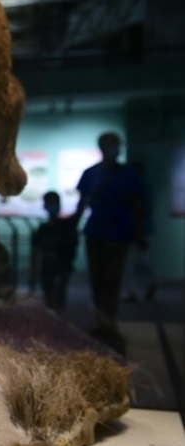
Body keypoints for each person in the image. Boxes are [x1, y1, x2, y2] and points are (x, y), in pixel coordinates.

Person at [75, 132, 146, 353]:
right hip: (96, 231)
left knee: (111, 279)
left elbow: (136, 206)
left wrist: (139, 232)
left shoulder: (127, 174)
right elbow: (82, 203)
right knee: (97, 277)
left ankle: (109, 321)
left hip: (119, 233)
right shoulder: (91, 173)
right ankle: (102, 321)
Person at [30, 191, 78, 313]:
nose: (51, 206)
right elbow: (37, 249)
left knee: (57, 296)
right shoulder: (44, 228)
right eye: (49, 203)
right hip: (48, 267)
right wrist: (33, 270)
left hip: (62, 267)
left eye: (54, 202)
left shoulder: (67, 226)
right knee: (50, 296)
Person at [122, 161, 157, 302]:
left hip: (142, 229)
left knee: (143, 261)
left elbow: (143, 210)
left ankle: (148, 284)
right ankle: (132, 291)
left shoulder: (143, 188)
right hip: (131, 229)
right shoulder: (134, 188)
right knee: (131, 262)